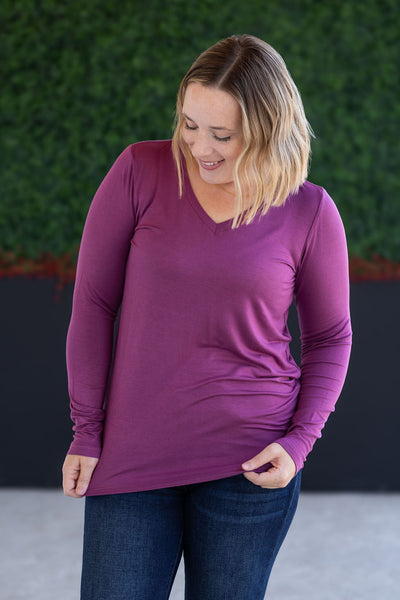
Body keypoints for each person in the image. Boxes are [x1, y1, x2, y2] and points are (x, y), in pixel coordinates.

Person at [62, 34, 352, 600]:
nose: (199, 146)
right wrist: (87, 431)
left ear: (268, 129)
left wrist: (300, 441)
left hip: (251, 463)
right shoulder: (140, 170)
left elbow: (330, 337)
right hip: (133, 453)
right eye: (190, 124)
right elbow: (93, 306)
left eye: (222, 134)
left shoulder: (309, 210)